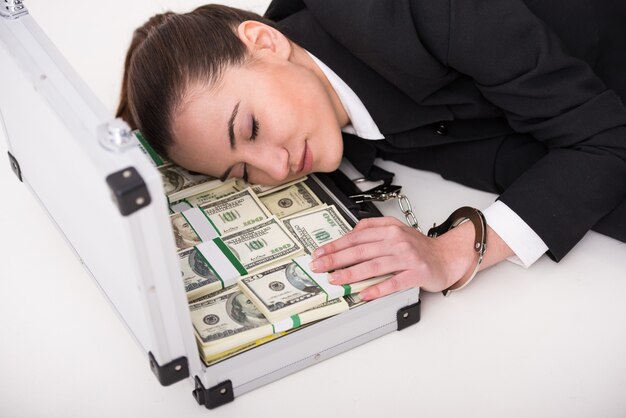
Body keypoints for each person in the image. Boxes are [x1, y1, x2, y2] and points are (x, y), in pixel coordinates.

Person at [117, 1, 626, 300]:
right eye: (243, 172)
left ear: (265, 42)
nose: (275, 167)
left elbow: (607, 139)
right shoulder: (318, 90)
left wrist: (453, 252)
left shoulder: (422, 13)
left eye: (250, 128)